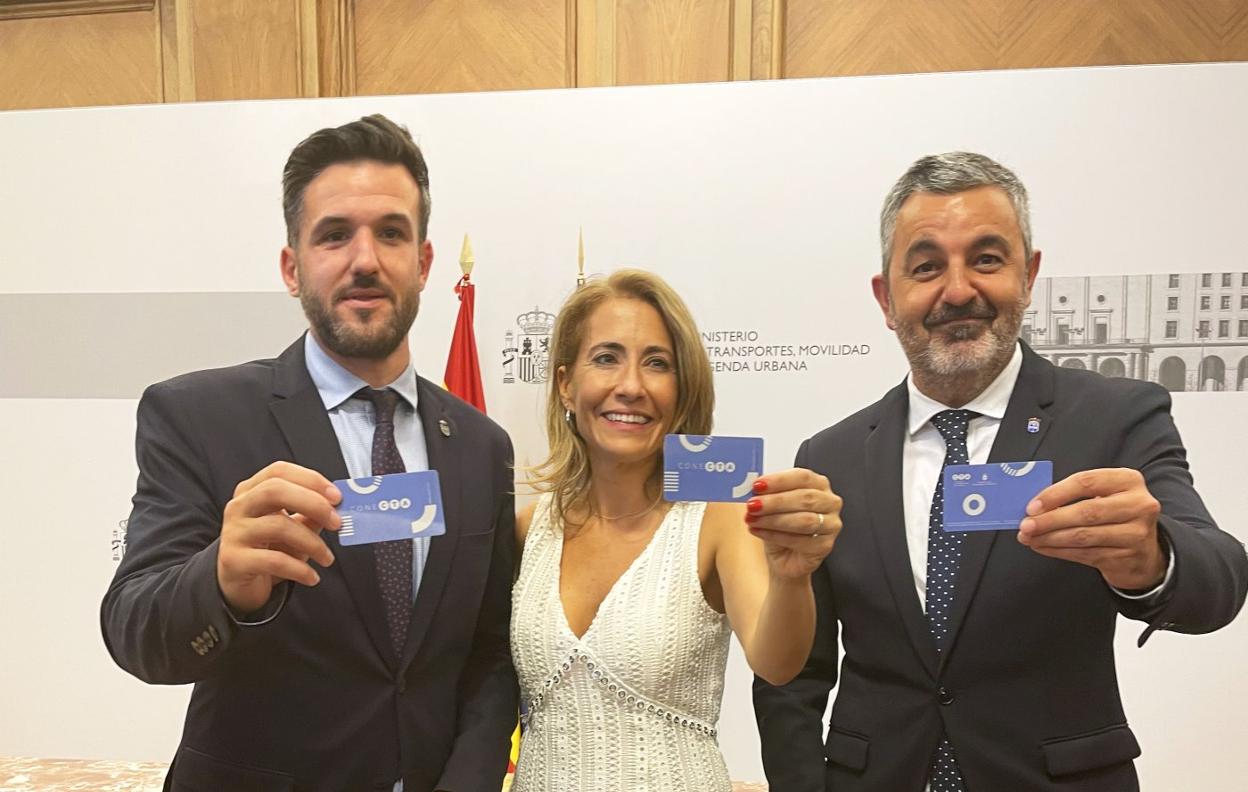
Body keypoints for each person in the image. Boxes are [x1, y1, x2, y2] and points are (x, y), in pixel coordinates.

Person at [753, 151, 1248, 792]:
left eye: (986, 259)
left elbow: (1219, 582)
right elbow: (795, 672)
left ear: (1029, 275)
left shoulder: (1114, 418)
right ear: (886, 297)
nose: (959, 290)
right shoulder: (830, 456)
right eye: (927, 267)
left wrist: (1152, 559)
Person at [100, 114, 517, 792]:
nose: (365, 259)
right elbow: (134, 631)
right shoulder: (199, 416)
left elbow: (490, 653)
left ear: (424, 264)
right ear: (292, 268)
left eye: (391, 233)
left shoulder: (480, 446)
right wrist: (221, 582)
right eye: (334, 235)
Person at [509, 269, 842, 791]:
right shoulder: (530, 529)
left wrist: (792, 577)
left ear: (682, 391)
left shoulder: (718, 520)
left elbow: (778, 664)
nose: (631, 386)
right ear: (566, 385)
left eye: (657, 363)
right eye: (606, 358)